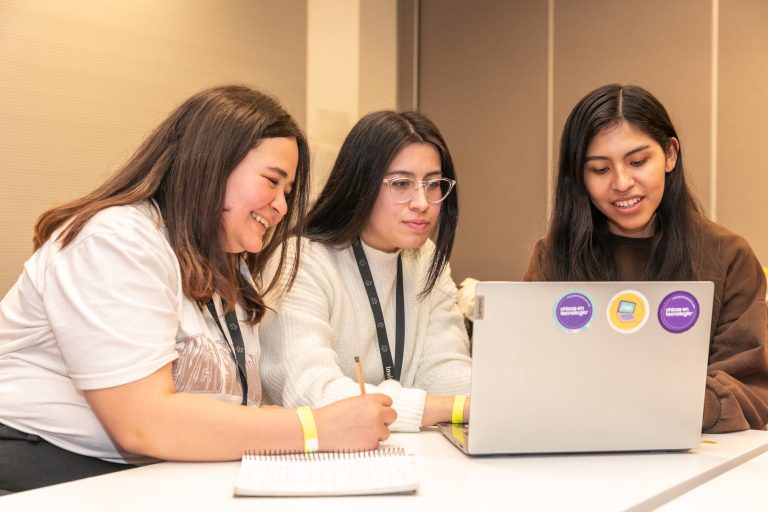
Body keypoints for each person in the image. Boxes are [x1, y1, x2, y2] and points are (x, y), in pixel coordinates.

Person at [0, 85, 395, 493]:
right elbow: (142, 422)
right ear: (211, 164)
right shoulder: (115, 239)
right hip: (42, 468)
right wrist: (315, 428)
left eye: (287, 192)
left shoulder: (228, 268)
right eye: (272, 182)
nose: (280, 206)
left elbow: (228, 411)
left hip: (148, 472)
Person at [524, 83, 768, 433]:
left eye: (637, 161)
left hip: (694, 458)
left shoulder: (728, 255)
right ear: (579, 176)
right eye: (600, 169)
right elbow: (530, 372)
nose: (622, 183)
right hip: (580, 453)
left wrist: (651, 402)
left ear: (670, 154)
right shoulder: (553, 256)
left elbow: (751, 388)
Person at [259, 110, 472, 432]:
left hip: (405, 449)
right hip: (318, 461)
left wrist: (496, 399)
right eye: (401, 184)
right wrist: (453, 407)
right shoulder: (299, 260)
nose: (422, 202)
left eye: (433, 184)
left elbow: (444, 368)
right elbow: (314, 393)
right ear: (360, 185)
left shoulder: (426, 257)